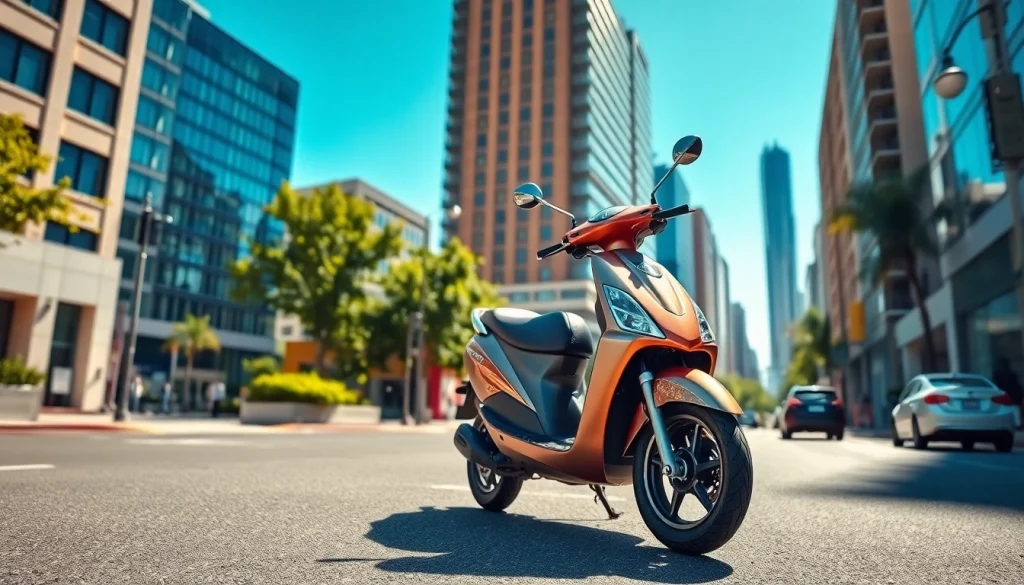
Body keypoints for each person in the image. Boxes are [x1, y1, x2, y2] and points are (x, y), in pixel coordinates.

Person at [992, 358, 1023, 428]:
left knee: (1013, 410)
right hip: (1008, 396)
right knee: (1013, 410)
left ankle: (1017, 424)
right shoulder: (1000, 374)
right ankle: (1017, 424)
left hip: (1010, 396)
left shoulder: (1009, 375)